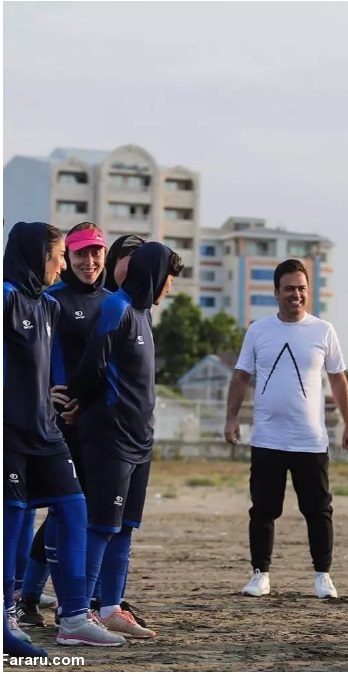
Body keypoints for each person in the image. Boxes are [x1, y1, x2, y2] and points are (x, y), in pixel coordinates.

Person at [3, 221, 124, 647]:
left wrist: (60, 397)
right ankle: (6, 618)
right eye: (57, 257)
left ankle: (73, 618)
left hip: (46, 432)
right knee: (14, 522)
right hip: (10, 435)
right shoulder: (6, 299)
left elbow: (48, 368)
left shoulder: (46, 306)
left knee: (74, 508)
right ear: (38, 257)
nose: (61, 266)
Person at [224, 258, 348, 599]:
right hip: (268, 438)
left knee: (318, 510)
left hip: (310, 440)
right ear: (276, 293)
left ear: (307, 291)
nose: (296, 294)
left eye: (301, 288)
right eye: (289, 289)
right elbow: (241, 376)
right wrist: (231, 418)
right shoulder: (259, 330)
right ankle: (260, 575)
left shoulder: (323, 330)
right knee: (264, 509)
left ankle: (322, 576)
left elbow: (338, 380)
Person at [69, 241, 182, 639]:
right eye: (168, 278)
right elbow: (90, 366)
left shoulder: (143, 314)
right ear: (153, 275)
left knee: (125, 527)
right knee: (101, 525)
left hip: (140, 441)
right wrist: (76, 403)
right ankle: (77, 615)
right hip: (109, 437)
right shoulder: (116, 307)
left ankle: (112, 607)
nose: (169, 287)